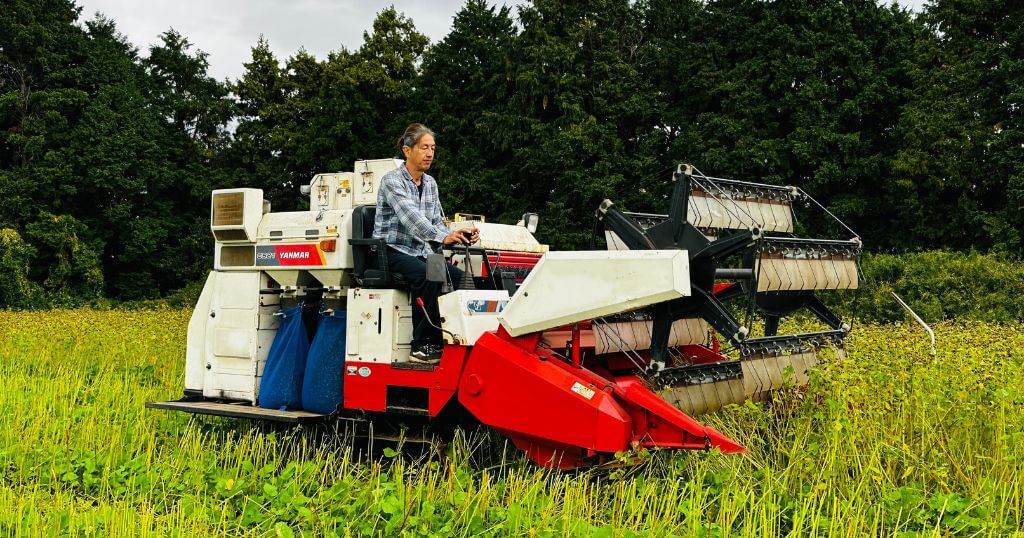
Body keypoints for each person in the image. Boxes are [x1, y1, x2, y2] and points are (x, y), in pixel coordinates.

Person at [373, 123, 479, 362]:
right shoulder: (392, 181)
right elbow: (412, 219)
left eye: (432, 148)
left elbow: (435, 222)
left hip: (420, 251)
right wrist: (442, 236)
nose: (430, 153)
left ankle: (458, 339)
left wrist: (457, 233)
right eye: (424, 148)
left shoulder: (430, 183)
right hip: (390, 251)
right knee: (428, 275)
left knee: (462, 279)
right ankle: (421, 346)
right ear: (407, 150)